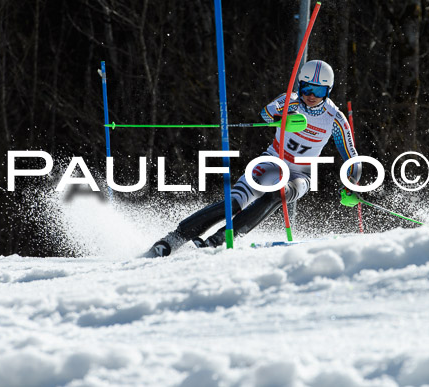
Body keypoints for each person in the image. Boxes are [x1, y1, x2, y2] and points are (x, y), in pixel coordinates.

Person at [146, 60, 361, 257]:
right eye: (306, 88)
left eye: (318, 90)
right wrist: (282, 118)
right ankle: (173, 239)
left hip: (300, 174)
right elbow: (266, 113)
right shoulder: (291, 101)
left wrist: (351, 183)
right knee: (234, 202)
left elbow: (353, 158)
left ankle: (220, 239)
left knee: (280, 192)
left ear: (328, 91)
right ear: (300, 85)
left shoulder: (334, 118)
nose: (310, 95)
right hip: (272, 161)